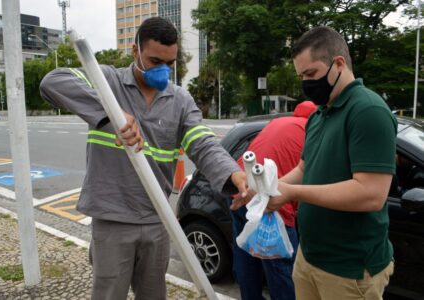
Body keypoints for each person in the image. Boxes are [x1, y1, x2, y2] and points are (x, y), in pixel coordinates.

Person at [39, 17, 247, 300]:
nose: (162, 71)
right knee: (109, 293)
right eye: (154, 61)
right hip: (112, 218)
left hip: (157, 218)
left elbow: (203, 144)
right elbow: (53, 82)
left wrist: (234, 174)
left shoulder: (180, 100)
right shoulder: (107, 81)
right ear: (135, 51)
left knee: (153, 293)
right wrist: (111, 113)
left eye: (169, 64)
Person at [233, 26, 397, 300]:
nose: (307, 84)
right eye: (301, 77)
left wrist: (293, 193)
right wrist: (263, 190)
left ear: (339, 64)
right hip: (308, 258)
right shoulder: (320, 115)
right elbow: (303, 169)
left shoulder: (368, 111)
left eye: (311, 74)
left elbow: (370, 194)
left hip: (349, 269)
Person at [230, 101, 316, 300]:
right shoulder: (314, 133)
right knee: (282, 274)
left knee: (247, 265)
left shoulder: (279, 122)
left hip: (241, 194)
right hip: (272, 208)